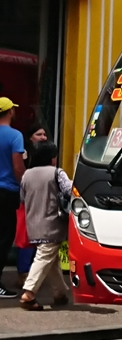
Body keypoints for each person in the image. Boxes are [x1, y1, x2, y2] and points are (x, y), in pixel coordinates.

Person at [19, 140, 71, 311]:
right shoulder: (57, 173)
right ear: (52, 157)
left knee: (51, 259)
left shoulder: (27, 175)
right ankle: (29, 292)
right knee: (44, 256)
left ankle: (60, 293)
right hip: (52, 224)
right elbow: (70, 191)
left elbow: (22, 197)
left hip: (33, 223)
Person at [14, 122, 48, 287]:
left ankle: (32, 274)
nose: (43, 138)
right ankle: (24, 273)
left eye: (44, 134)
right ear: (30, 138)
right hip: (25, 200)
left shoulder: (47, 154)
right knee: (25, 237)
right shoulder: (25, 155)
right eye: (38, 135)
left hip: (40, 200)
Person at [0, 97, 25, 299]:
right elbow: (18, 167)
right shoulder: (15, 136)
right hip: (6, 192)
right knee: (4, 237)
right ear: (9, 112)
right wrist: (24, 185)